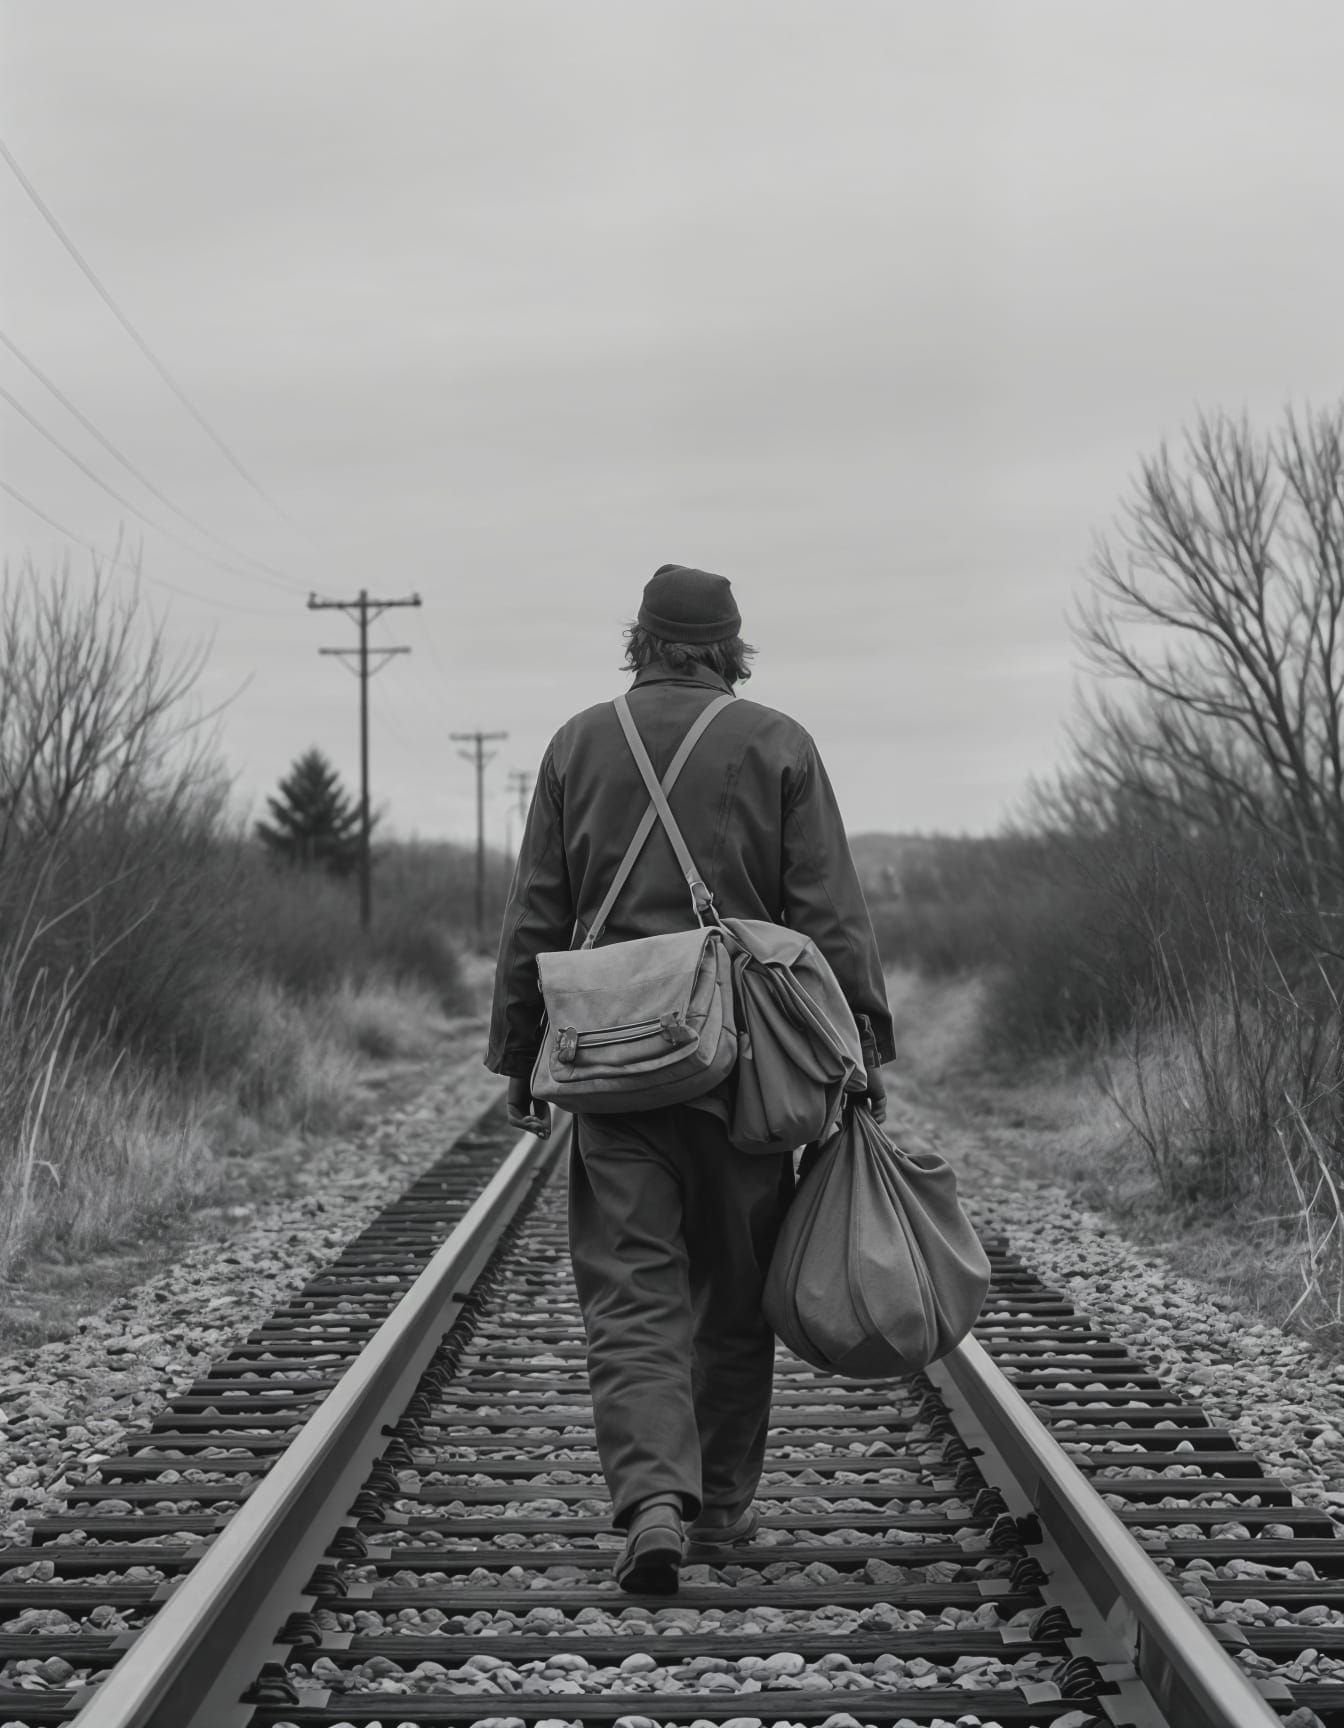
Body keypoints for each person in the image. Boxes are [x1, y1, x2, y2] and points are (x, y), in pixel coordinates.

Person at [486, 563, 894, 1593]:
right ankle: (717, 1510)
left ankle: (652, 1500)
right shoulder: (779, 744)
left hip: (614, 1067)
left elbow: (537, 912)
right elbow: (828, 912)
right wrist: (861, 1054)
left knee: (630, 1297)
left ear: (643, 638)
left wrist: (515, 1051)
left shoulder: (577, 743)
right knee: (734, 1294)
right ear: (730, 646)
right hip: (747, 1070)